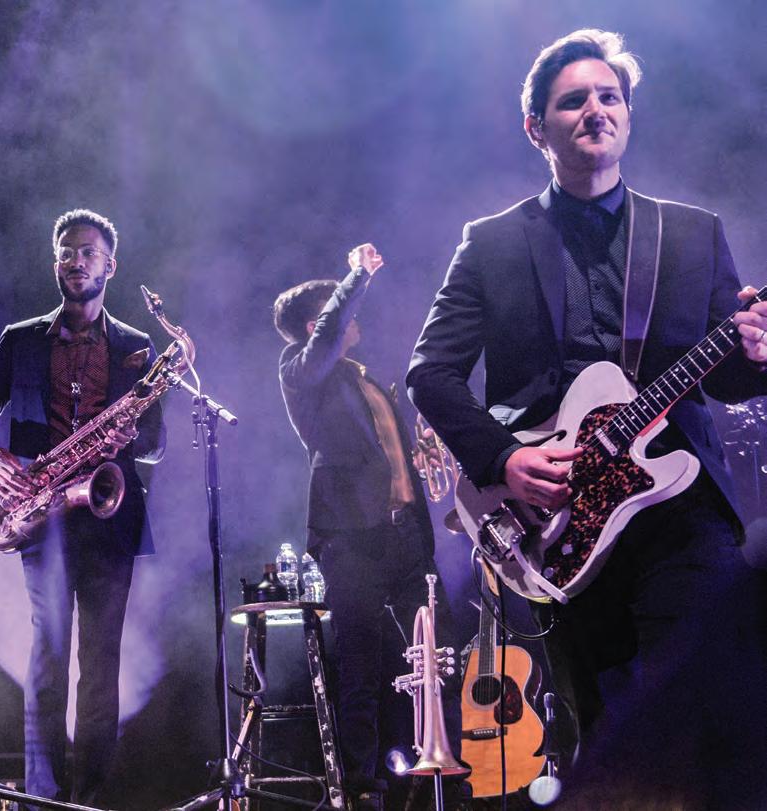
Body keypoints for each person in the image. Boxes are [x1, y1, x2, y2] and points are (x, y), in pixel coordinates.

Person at [406, 29, 767, 809]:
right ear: (536, 127)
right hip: (559, 525)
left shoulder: (691, 232)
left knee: (718, 715)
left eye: (609, 97)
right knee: (603, 740)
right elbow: (428, 373)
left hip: (679, 510)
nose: (595, 110)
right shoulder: (490, 244)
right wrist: (502, 459)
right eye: (573, 101)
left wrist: (755, 353)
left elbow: (730, 377)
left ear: (628, 116)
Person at [274, 245, 468, 811]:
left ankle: (445, 777)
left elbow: (389, 455)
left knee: (439, 656)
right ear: (316, 324)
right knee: (360, 668)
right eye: (340, 310)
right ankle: (361, 788)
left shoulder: (366, 380)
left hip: (406, 536)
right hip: (351, 540)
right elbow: (329, 335)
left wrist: (421, 449)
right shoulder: (301, 372)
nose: (354, 317)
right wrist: (355, 277)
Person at [0, 209, 166, 806]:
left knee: (102, 661)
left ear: (110, 265)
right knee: (50, 656)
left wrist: (132, 436)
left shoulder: (137, 346)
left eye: (88, 252)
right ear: (55, 262)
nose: (75, 260)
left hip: (110, 514)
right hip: (43, 516)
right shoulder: (21, 339)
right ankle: (44, 796)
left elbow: (156, 443)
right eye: (66, 251)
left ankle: (92, 797)